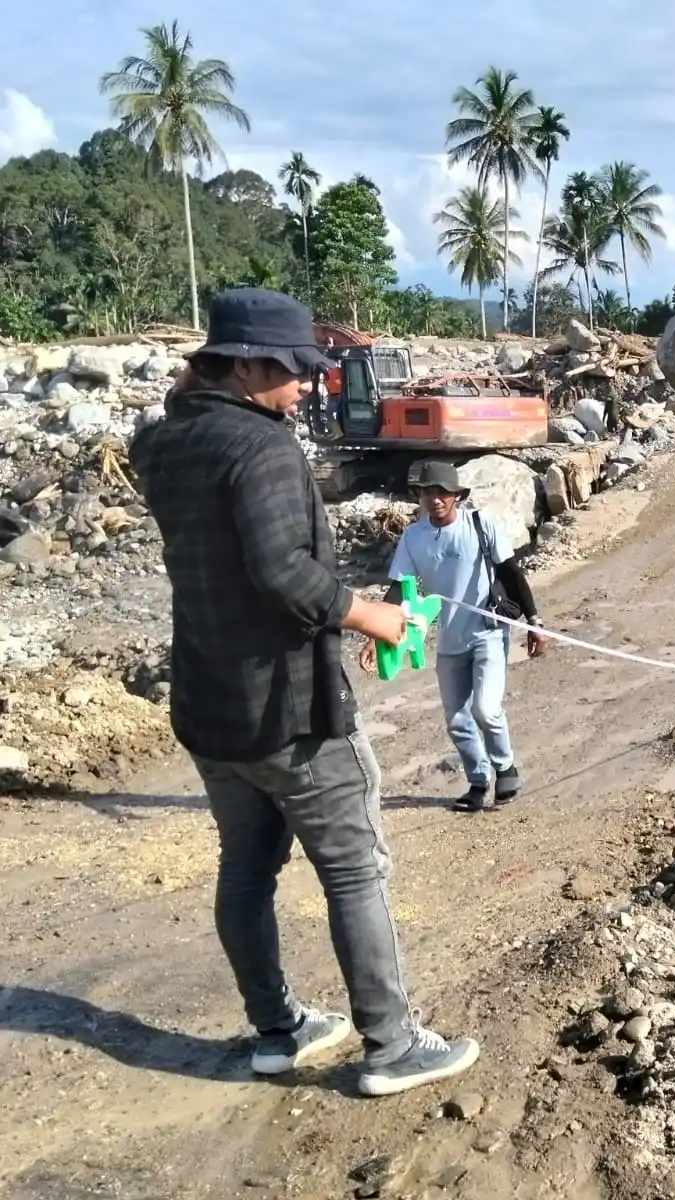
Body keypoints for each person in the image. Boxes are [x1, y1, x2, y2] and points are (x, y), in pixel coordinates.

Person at [128, 287, 479, 1097]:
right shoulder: (261, 450)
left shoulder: (164, 443)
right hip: (289, 707)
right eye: (294, 372)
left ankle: (279, 1031)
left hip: (209, 704)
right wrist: (375, 617)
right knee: (355, 867)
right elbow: (285, 577)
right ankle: (391, 1047)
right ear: (247, 365)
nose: (308, 387)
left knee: (246, 867)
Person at [360, 461, 547, 813]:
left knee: (485, 709)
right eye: (427, 492)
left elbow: (512, 572)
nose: (435, 500)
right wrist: (374, 633)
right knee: (457, 719)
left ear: (457, 496)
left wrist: (534, 620)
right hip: (448, 640)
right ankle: (478, 782)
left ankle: (505, 767)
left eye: (442, 493)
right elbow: (400, 589)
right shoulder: (414, 537)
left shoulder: (480, 524)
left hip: (488, 632)